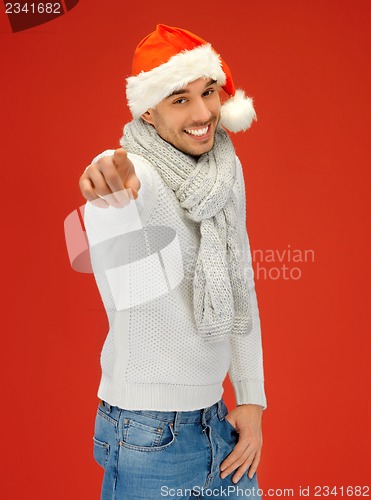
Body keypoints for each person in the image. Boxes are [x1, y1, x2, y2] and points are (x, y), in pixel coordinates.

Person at [79, 24, 267, 500]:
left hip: (215, 419)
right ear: (147, 110)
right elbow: (115, 174)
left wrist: (250, 397)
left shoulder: (225, 169)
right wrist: (108, 177)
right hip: (148, 432)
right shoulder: (137, 169)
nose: (204, 113)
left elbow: (240, 280)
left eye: (208, 92)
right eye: (180, 100)